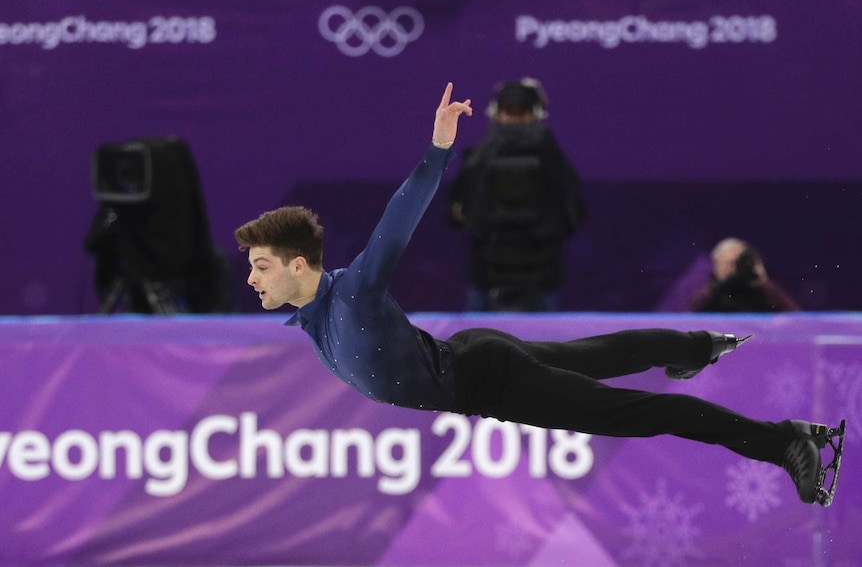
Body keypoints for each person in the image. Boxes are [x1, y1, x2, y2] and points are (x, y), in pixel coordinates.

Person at [234, 82, 840, 506]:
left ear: (298, 264)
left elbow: (397, 222)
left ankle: (783, 440)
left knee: (639, 412)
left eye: (261, 266)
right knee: (594, 357)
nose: (253, 279)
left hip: (486, 379)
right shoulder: (311, 319)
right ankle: (696, 344)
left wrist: (438, 148)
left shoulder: (352, 296)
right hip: (472, 355)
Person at [445, 78, 584, 311]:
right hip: (528, 272)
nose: (516, 119)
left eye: (521, 112)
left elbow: (456, 211)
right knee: (546, 344)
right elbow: (574, 212)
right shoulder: (553, 158)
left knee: (473, 343)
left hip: (499, 273)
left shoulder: (479, 157)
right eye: (511, 111)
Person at [690, 237, 801, 312]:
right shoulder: (707, 292)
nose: (734, 269)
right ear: (716, 265)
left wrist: (762, 281)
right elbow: (694, 312)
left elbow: (793, 315)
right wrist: (723, 285)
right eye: (729, 264)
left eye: (739, 263)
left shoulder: (760, 289)